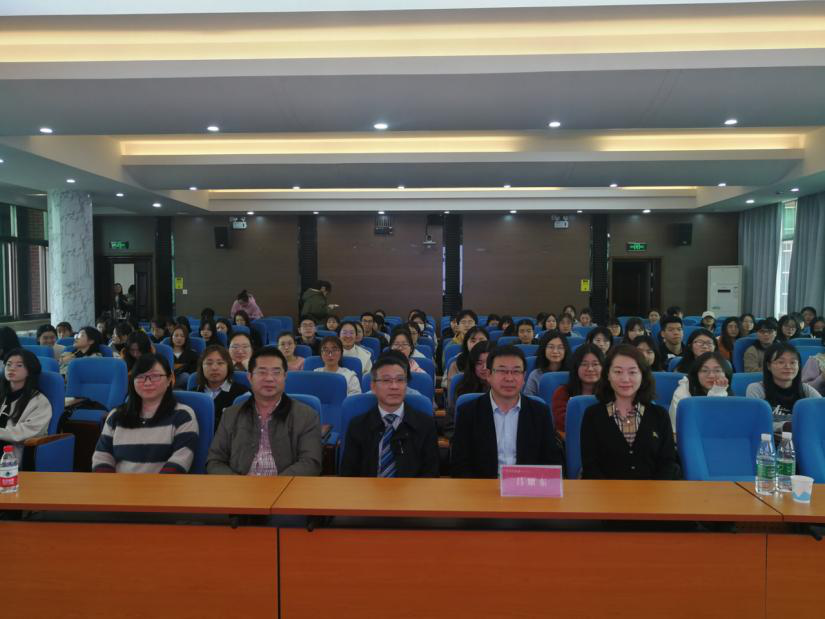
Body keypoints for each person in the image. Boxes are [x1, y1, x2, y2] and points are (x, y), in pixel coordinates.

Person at [450, 345, 564, 478]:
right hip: (482, 486)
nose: (509, 378)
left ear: (524, 377)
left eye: (516, 371)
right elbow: (459, 465)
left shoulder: (540, 412)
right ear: (489, 375)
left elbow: (551, 462)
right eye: (502, 371)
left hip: (526, 486)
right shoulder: (468, 412)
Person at [206, 347, 322, 476]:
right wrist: (237, 483)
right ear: (250, 377)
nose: (269, 378)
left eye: (276, 372)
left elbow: (310, 463)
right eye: (262, 372)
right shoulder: (231, 415)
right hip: (239, 486)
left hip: (286, 486)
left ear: (285, 377)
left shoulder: (306, 416)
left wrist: (277, 485)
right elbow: (215, 461)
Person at [580, 344, 680, 480]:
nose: (625, 379)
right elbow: (590, 466)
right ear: (607, 375)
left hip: (653, 491)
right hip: (605, 491)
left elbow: (668, 464)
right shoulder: (592, 415)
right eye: (618, 372)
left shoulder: (659, 415)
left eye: (632, 372)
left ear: (642, 375)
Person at [92, 353, 199, 473]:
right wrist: (108, 484)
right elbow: (102, 457)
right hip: (118, 484)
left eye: (155, 376)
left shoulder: (183, 416)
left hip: (164, 484)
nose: (147, 383)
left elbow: (180, 462)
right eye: (140, 376)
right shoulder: (116, 415)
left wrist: (148, 486)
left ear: (169, 379)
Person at [340, 354, 439, 478]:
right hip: (367, 489)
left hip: (413, 490)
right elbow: (348, 476)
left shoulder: (425, 425)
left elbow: (431, 475)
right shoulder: (357, 426)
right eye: (386, 380)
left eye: (400, 380)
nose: (394, 386)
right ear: (373, 387)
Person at [746, 342, 821, 431]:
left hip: (801, 436)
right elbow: (755, 422)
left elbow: (821, 411)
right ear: (768, 366)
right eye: (781, 362)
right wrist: (784, 426)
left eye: (793, 362)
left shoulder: (806, 389)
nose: (788, 367)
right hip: (768, 438)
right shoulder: (756, 389)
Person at [0, 349, 52, 464]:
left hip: (11, 456)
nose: (11, 368)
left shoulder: (39, 401)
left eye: (19, 365)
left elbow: (28, 432)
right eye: (8, 364)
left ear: (30, 370)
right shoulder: (2, 394)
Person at [668, 351, 732, 429]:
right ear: (696, 373)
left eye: (717, 370)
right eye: (704, 370)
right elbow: (679, 429)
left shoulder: (725, 390)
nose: (711, 375)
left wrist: (719, 393)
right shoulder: (683, 392)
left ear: (726, 374)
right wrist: (716, 395)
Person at [194, 345, 249, 429]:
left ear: (228, 366)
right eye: (209, 363)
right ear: (201, 367)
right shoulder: (193, 394)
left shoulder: (242, 393)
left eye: (220, 363)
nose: (214, 368)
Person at [551, 343, 604, 430]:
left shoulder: (610, 392)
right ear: (576, 367)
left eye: (595, 364)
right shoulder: (562, 392)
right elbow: (563, 422)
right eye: (584, 364)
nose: (590, 369)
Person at [450, 340, 492, 414]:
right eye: (479, 363)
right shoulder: (463, 389)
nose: (485, 367)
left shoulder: (505, 387)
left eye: (489, 363)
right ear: (472, 365)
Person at [524, 330, 570, 396]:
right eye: (551, 347)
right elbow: (528, 399)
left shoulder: (571, 374)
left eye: (560, 347)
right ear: (544, 349)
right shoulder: (535, 375)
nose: (555, 351)